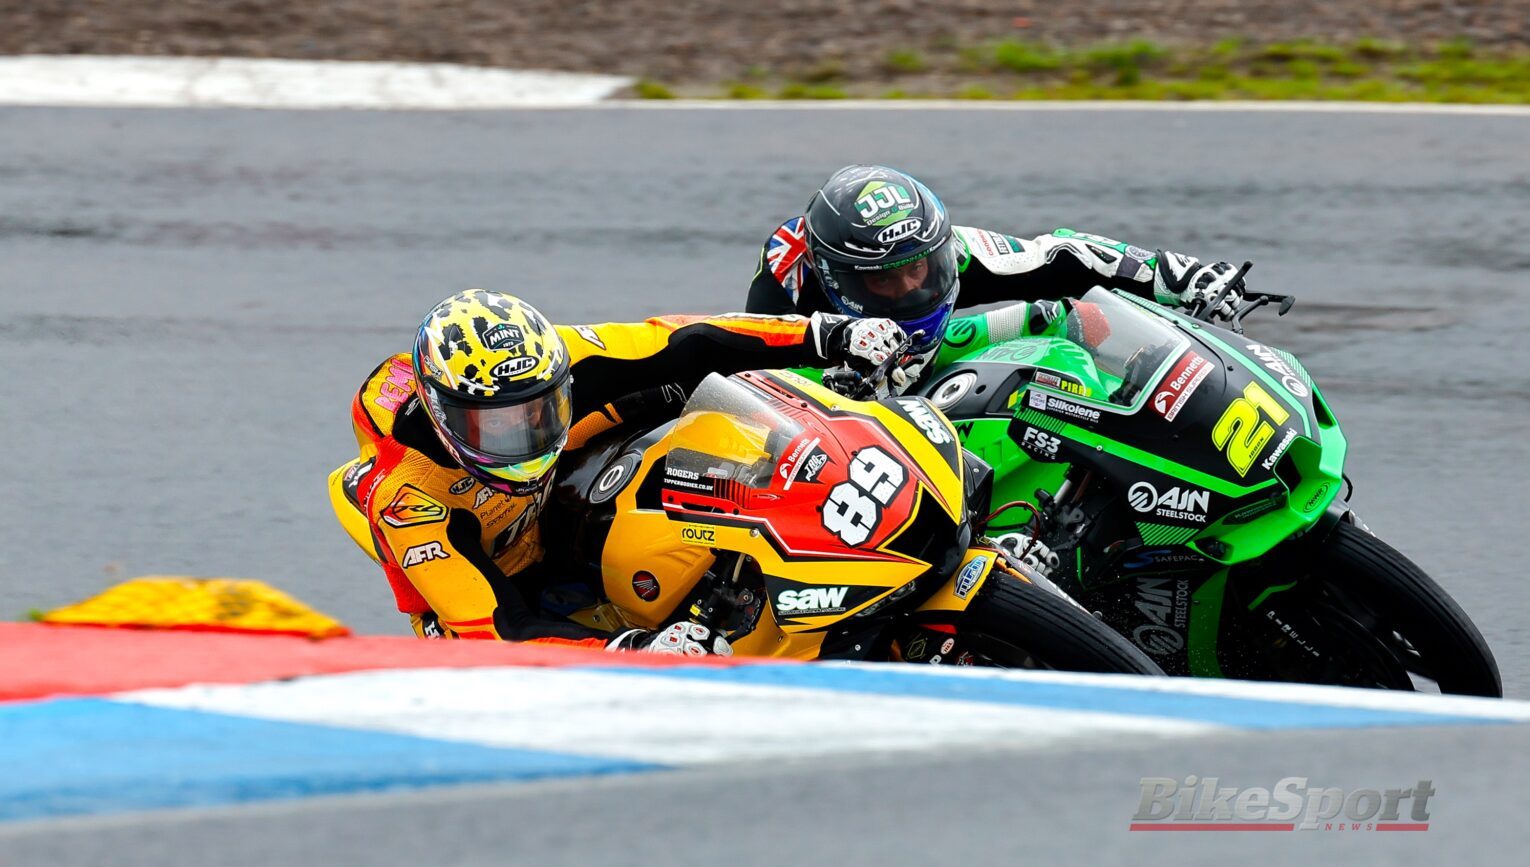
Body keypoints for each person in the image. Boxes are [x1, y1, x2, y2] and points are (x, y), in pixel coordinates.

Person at [338, 288, 905, 653]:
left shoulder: (559, 353)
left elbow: (682, 339)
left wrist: (822, 334)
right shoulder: (410, 496)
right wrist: (632, 651)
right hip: (496, 586)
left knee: (673, 389)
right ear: (444, 417)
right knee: (497, 671)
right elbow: (496, 632)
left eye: (539, 411)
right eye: (500, 427)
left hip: (553, 496)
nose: (527, 438)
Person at [744, 164, 1246, 383]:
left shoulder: (952, 248)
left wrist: (1174, 275)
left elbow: (1060, 254)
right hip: (836, 400)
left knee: (1075, 321)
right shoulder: (787, 281)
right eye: (882, 280)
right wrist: (829, 379)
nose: (910, 289)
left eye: (918, 268)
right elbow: (752, 384)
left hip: (928, 364)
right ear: (837, 278)